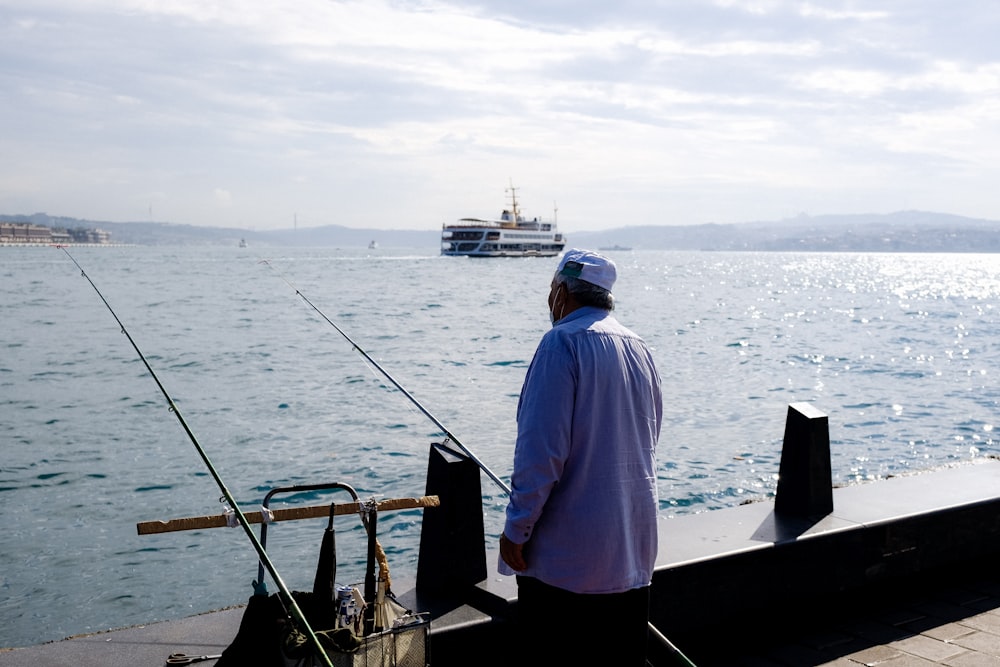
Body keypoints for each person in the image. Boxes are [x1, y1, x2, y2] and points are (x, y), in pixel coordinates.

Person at [499, 248, 663, 666]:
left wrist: (516, 531)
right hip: (631, 553)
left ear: (562, 292)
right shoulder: (639, 347)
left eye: (552, 289)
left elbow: (541, 453)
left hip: (566, 564)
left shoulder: (561, 343)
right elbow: (649, 438)